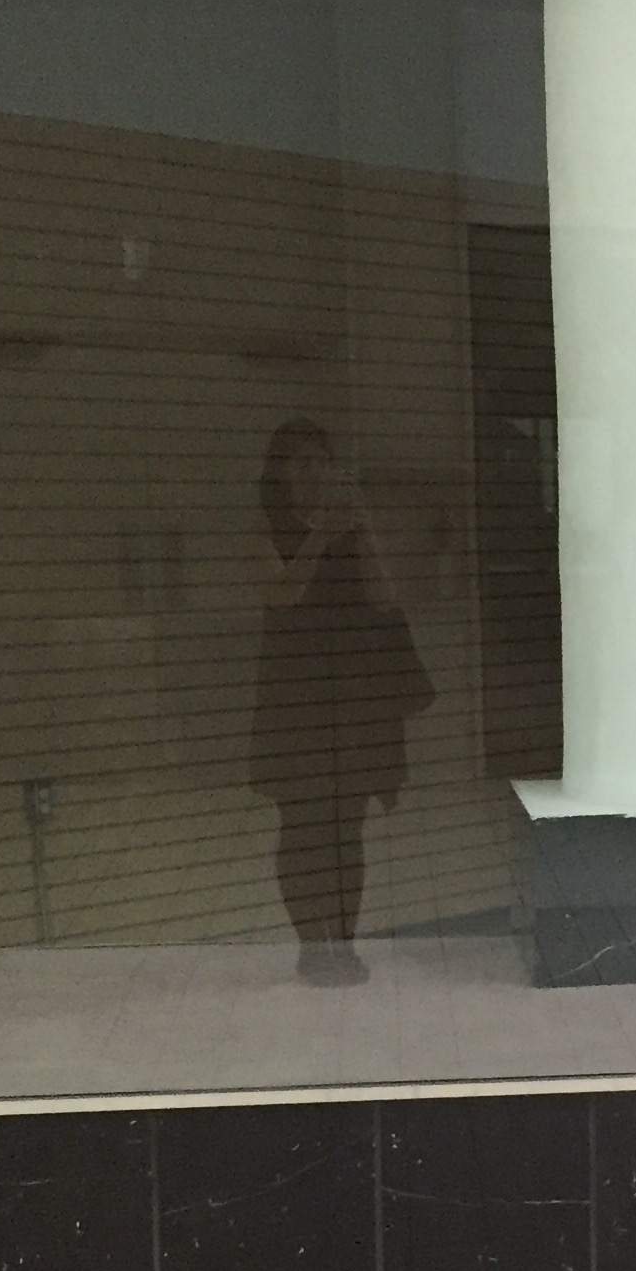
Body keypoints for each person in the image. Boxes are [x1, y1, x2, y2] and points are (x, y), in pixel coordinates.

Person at [250, 418, 433, 983]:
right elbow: (282, 594)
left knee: (346, 826)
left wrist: (365, 532)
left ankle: (344, 944)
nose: (314, 472)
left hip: (354, 699)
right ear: (280, 474)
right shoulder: (268, 530)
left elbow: (384, 599)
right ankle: (312, 946)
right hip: (296, 700)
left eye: (322, 461)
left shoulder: (353, 529)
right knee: (303, 825)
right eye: (302, 463)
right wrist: (318, 539)